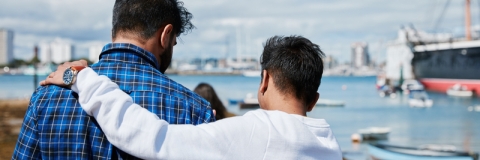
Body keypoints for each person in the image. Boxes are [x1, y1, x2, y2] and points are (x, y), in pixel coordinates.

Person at [41, 35, 343, 159]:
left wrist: (83, 78)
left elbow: (154, 139)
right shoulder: (329, 145)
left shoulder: (258, 130)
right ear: (313, 100)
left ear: (264, 80)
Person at [13, 0, 214, 159]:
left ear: (114, 32)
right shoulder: (194, 109)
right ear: (165, 35)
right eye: (174, 42)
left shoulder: (47, 96)